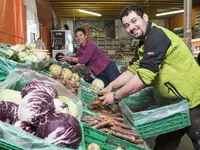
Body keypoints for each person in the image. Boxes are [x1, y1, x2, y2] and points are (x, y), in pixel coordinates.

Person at [98, 4, 200, 150]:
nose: (131, 27)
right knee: (165, 143)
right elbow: (133, 70)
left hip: (194, 102)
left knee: (197, 137)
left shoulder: (157, 37)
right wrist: (111, 86)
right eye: (126, 25)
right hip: (176, 104)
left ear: (145, 17)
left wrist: (115, 96)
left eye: (134, 21)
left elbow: (143, 77)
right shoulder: (143, 44)